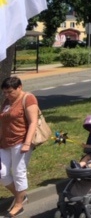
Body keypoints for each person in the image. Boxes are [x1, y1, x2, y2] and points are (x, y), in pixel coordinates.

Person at [0, 77, 38, 217]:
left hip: (21, 142)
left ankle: (19, 204)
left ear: (19, 87)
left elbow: (33, 122)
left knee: (18, 172)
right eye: (5, 92)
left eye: (10, 92)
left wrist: (27, 143)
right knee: (2, 173)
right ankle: (20, 195)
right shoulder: (7, 101)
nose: (7, 95)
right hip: (4, 142)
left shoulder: (28, 98)